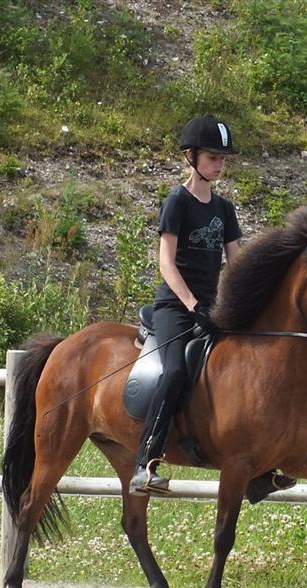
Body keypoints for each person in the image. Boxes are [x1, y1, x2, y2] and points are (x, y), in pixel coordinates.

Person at [130, 114, 242, 495]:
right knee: (176, 372)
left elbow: (235, 262)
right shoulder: (177, 202)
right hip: (175, 308)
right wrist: (193, 304)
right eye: (213, 157)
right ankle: (146, 462)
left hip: (212, 308)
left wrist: (240, 302)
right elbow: (166, 262)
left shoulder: (224, 209)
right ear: (190, 157)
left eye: (223, 158)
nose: (220, 163)